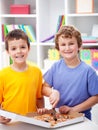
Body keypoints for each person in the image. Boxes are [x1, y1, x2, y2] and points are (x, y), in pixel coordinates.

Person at [0, 29, 59, 124]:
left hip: (31, 120)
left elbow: (39, 97)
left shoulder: (36, 72)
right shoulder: (3, 74)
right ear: (7, 51)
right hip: (10, 122)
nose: (19, 51)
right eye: (13, 48)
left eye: (22, 47)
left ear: (29, 48)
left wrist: (41, 110)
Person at [42, 25, 98, 120]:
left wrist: (74, 109)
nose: (67, 48)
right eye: (63, 45)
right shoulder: (55, 67)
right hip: (59, 117)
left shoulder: (89, 71)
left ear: (79, 46)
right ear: (58, 49)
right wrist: (52, 92)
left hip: (82, 117)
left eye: (71, 43)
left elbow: (96, 97)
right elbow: (44, 87)